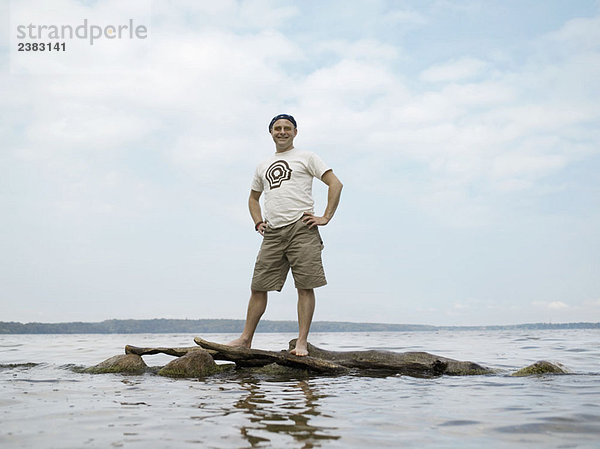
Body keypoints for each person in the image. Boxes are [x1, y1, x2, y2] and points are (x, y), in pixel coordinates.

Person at [227, 114, 343, 356]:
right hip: (273, 233)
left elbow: (335, 183)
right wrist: (258, 221)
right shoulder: (262, 165)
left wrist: (325, 217)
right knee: (258, 287)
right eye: (277, 128)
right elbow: (253, 198)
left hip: (302, 228)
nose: (282, 132)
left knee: (305, 286)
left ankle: (301, 342)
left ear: (295, 132)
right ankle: (245, 339)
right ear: (271, 133)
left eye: (287, 128)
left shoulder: (307, 157)